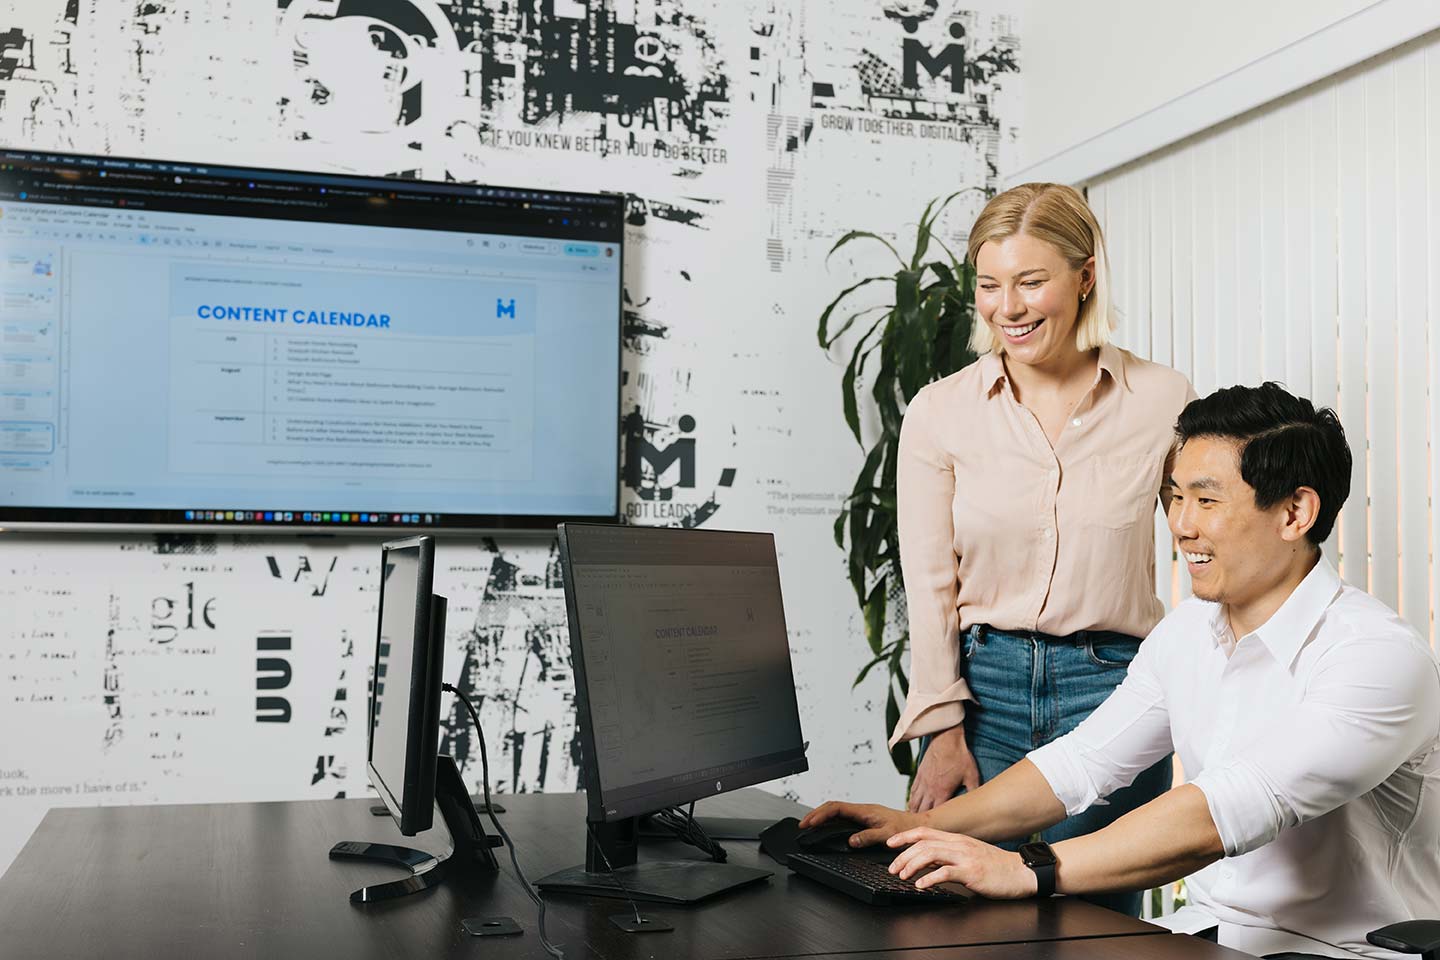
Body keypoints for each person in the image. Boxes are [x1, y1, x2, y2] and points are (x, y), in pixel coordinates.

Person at [805, 383, 1440, 960]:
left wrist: (1028, 868)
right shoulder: (1187, 632)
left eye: (1207, 500)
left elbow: (1224, 812)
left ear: (1296, 513)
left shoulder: (1377, 658)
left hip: (1347, 952)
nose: (1180, 525)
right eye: (1175, 497)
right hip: (1212, 934)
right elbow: (1081, 764)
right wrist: (922, 826)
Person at [892, 182, 1194, 915]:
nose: (1009, 307)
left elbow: (1207, 539)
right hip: (981, 696)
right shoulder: (941, 412)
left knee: (1098, 925)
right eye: (990, 285)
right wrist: (942, 729)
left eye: (1032, 282)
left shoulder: (1162, 399)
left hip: (1114, 692)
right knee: (961, 920)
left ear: (1084, 276)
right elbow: (930, 583)